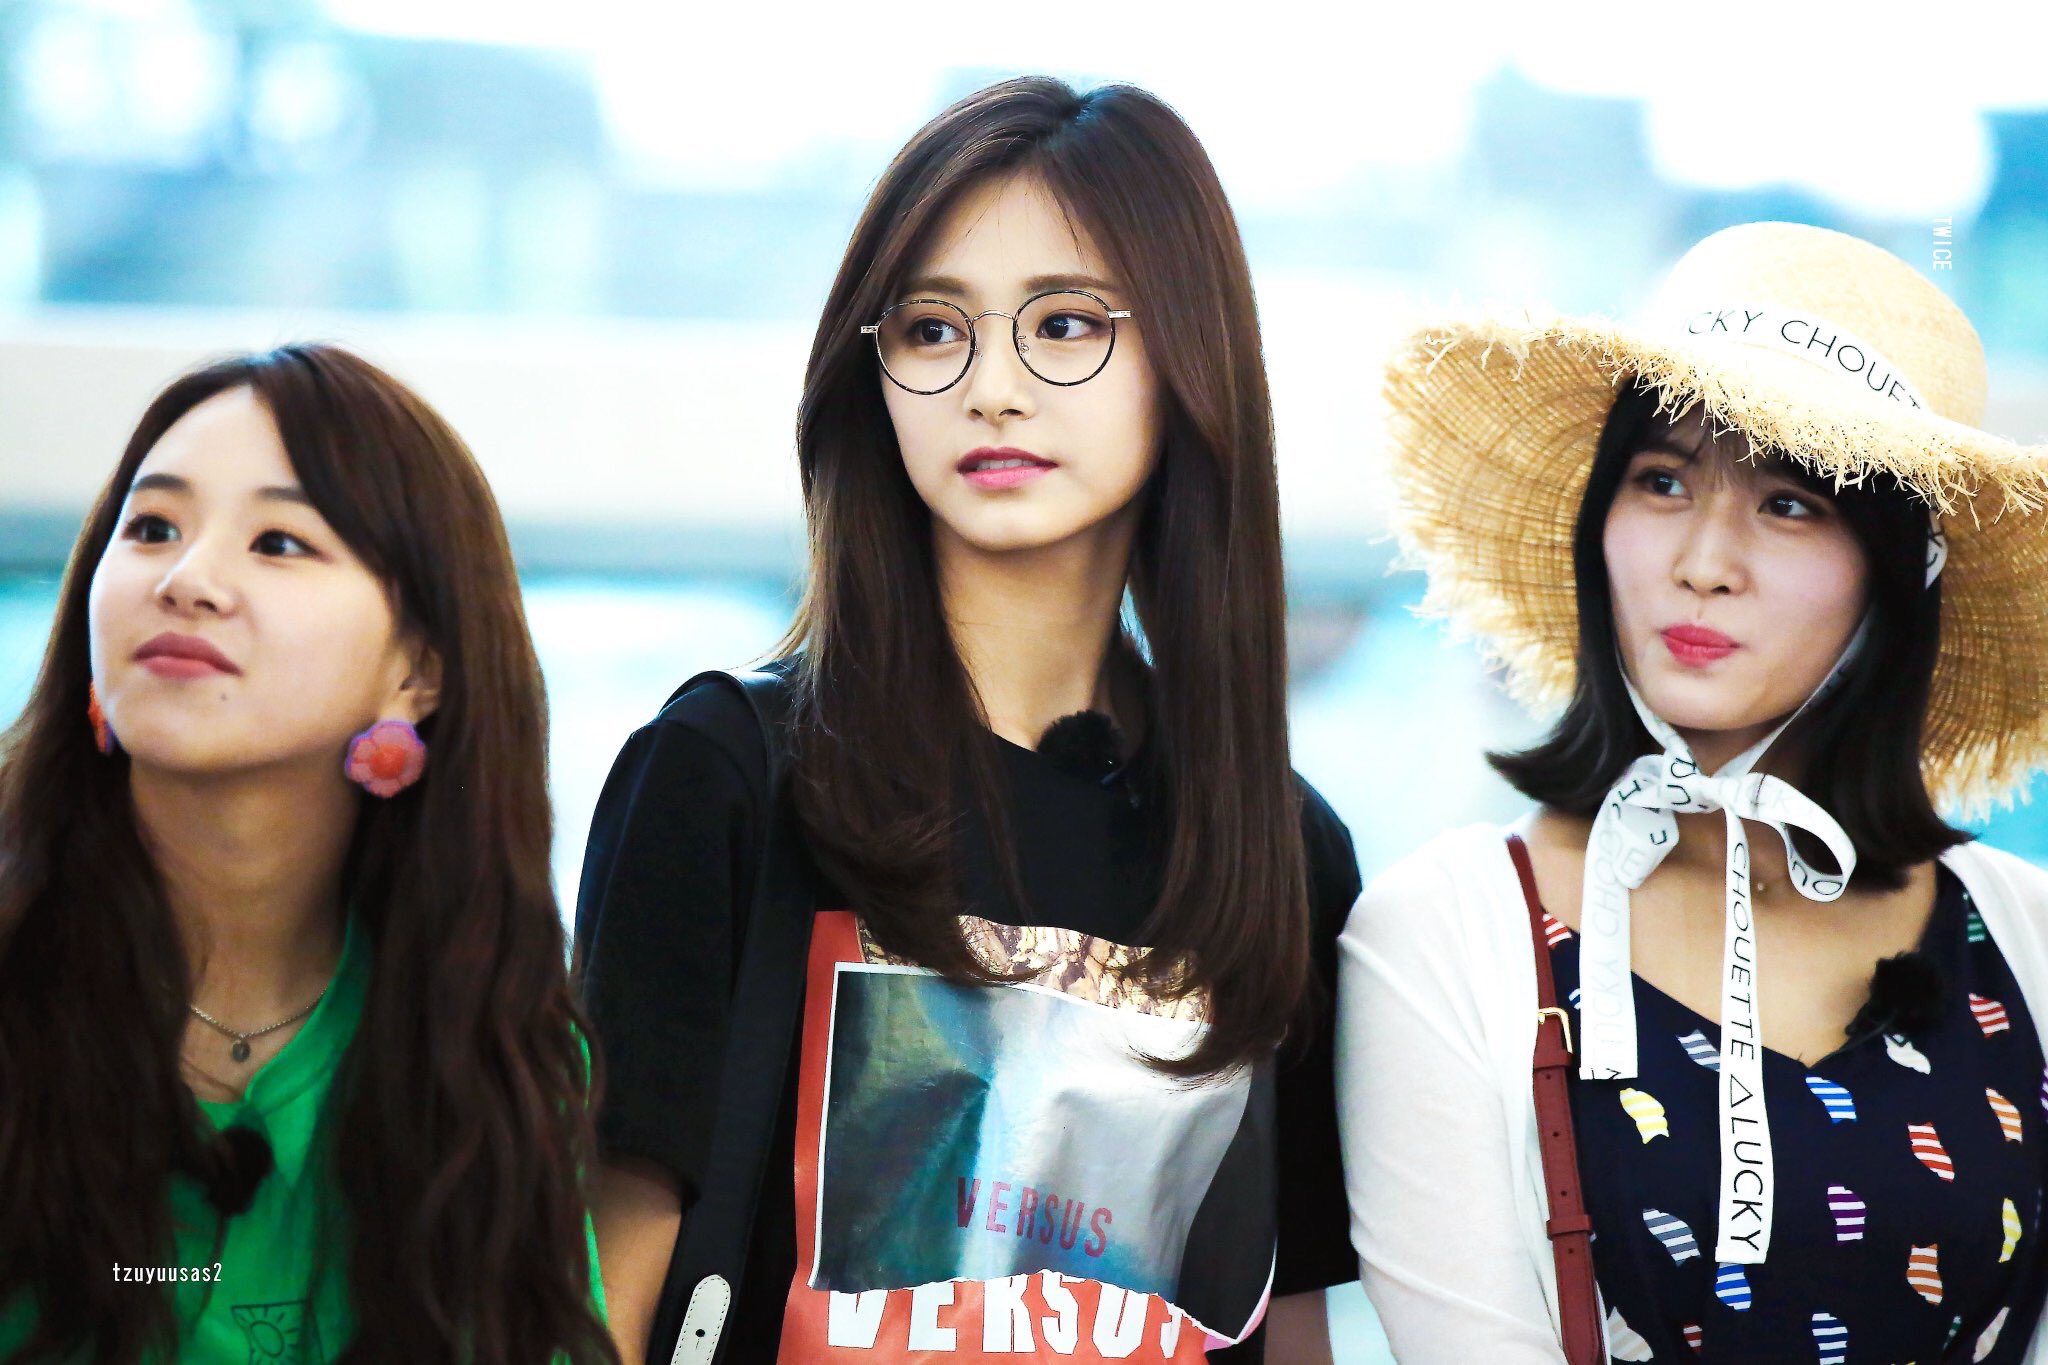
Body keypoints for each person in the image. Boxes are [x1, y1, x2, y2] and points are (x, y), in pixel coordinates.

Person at [576, 77, 1360, 1363]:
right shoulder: (727, 773)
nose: (991, 387)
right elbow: (600, 1288)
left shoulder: (1283, 852)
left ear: (1187, 358)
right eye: (933, 330)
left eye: (1064, 324)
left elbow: (1288, 1323)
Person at [1337, 221, 2048, 1361]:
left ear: (1897, 569)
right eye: (1661, 481)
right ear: (1597, 526)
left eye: (1789, 503)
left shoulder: (2023, 935)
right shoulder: (1449, 931)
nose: (1703, 563)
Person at [0, 345, 614, 1364]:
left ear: (417, 669)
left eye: (278, 542)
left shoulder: (493, 1054)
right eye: (151, 529)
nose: (187, 581)